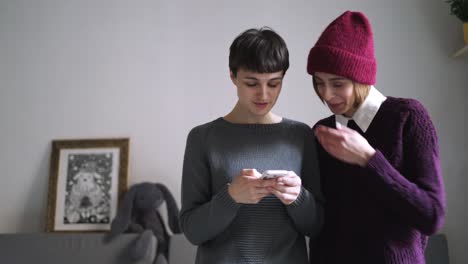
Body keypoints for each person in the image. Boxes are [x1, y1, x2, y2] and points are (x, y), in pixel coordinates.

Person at [306, 11, 446, 264]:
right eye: (318, 82)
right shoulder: (322, 131)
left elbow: (432, 215)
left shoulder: (408, 117)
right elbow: (323, 224)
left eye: (337, 84)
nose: (326, 94)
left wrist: (369, 159)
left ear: (361, 78)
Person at [180, 27, 323, 264]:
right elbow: (192, 231)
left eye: (274, 83)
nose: (263, 94)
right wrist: (231, 196)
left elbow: (316, 226)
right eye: (251, 83)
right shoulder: (202, 138)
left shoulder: (301, 135)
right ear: (233, 77)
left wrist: (298, 198)